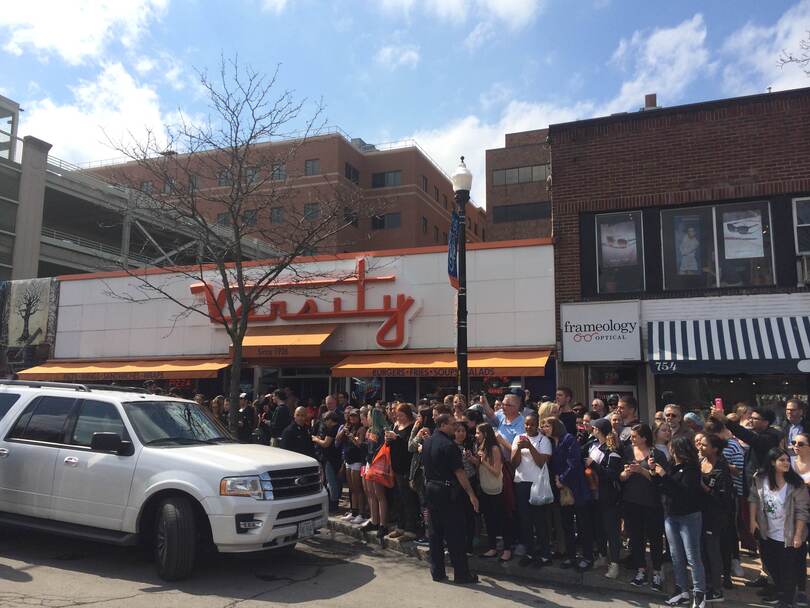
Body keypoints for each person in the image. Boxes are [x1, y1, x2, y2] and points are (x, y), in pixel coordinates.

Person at [421, 413, 479, 584]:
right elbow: (459, 472)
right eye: (452, 424)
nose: (455, 427)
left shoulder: (428, 442)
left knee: (435, 533)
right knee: (455, 534)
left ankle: (437, 572)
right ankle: (461, 574)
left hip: (431, 488)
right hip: (447, 491)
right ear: (443, 425)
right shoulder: (449, 445)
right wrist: (471, 494)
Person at [749, 447, 810, 608]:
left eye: (787, 460)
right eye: (781, 460)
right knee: (770, 564)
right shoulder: (760, 479)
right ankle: (780, 592)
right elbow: (753, 497)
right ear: (772, 462)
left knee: (787, 570)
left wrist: (797, 535)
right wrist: (752, 520)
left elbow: (802, 512)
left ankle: (787, 601)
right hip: (767, 532)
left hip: (788, 535)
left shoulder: (796, 484)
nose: (786, 462)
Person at [654, 436, 707, 608]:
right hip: (671, 515)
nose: (670, 449)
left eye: (672, 447)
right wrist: (657, 474)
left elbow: (685, 492)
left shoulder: (691, 468)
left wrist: (664, 476)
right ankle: (682, 590)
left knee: (692, 557)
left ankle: (699, 594)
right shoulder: (671, 466)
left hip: (688, 516)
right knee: (676, 556)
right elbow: (664, 487)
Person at [621, 423, 667, 590]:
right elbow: (620, 476)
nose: (631, 439)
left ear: (644, 438)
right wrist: (626, 473)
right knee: (636, 538)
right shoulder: (627, 452)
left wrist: (642, 471)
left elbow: (661, 480)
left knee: (654, 539)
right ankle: (641, 569)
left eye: (634, 436)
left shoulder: (657, 455)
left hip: (651, 503)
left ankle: (657, 571)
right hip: (631, 501)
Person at [544, 416, 593, 571]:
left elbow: (573, 463)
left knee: (583, 524)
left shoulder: (568, 439)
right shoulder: (553, 442)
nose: (544, 428)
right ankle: (571, 556)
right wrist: (557, 479)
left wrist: (562, 479)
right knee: (567, 525)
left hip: (576, 487)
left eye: (547, 426)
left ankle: (587, 557)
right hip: (563, 489)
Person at [511, 411, 553, 567]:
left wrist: (530, 447)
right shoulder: (518, 438)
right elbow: (513, 463)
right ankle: (530, 552)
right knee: (525, 521)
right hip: (521, 483)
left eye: (532, 424)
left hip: (537, 485)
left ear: (537, 425)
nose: (528, 427)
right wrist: (519, 450)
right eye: (526, 424)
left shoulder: (544, 440)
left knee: (539, 521)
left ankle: (545, 554)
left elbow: (542, 462)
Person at [586, 417, 624, 579]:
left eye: (594, 428)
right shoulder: (592, 445)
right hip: (593, 494)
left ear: (599, 430)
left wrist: (593, 464)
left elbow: (611, 475)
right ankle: (602, 556)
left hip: (608, 496)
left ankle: (614, 564)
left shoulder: (612, 451)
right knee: (598, 528)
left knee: (611, 530)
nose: (592, 429)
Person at [698, 433, 734, 602]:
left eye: (704, 445)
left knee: (713, 551)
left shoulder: (721, 468)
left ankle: (716, 588)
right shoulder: (700, 462)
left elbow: (723, 497)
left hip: (715, 516)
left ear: (715, 449)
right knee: (702, 551)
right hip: (699, 514)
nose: (700, 447)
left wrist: (703, 486)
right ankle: (705, 583)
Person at [472, 422, 513, 561]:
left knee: (502, 519)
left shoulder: (495, 448)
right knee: (489, 519)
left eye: (479, 432)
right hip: (484, 488)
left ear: (486, 434)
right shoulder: (480, 447)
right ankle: (492, 548)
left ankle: (507, 549)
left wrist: (483, 461)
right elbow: (481, 466)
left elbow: (496, 471)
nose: (476, 435)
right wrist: (473, 460)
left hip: (496, 489)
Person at [385, 403, 420, 541]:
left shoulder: (413, 427)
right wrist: (388, 439)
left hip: (407, 466)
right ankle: (400, 526)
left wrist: (397, 438)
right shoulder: (395, 425)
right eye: (397, 415)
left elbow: (410, 446)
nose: (399, 417)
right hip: (396, 466)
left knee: (409, 499)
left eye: (401, 415)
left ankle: (411, 529)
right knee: (398, 498)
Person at [362, 407, 391, 541]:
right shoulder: (370, 430)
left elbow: (374, 449)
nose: (367, 418)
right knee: (371, 494)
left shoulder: (378, 432)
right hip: (369, 463)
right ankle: (374, 521)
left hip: (376, 464)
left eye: (368, 416)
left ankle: (382, 524)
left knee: (379, 495)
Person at [338, 408, 367, 524]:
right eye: (351, 416)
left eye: (355, 416)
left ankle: (361, 513)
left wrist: (350, 436)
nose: (352, 418)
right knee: (351, 487)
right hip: (348, 460)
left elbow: (359, 444)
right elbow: (338, 439)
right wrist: (344, 431)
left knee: (358, 488)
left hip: (356, 460)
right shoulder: (348, 426)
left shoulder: (361, 428)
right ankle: (353, 511)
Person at [790, 432, 810, 605]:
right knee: (799, 553)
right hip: (797, 514)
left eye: (801, 443)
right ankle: (801, 589)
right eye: (794, 442)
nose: (796, 445)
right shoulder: (789, 464)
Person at [312, 411, 343, 513]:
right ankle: (334, 503)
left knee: (331, 482)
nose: (324, 422)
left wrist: (316, 439)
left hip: (330, 459)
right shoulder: (339, 428)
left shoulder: (332, 430)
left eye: (325, 420)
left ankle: (333, 504)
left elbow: (326, 444)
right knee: (335, 482)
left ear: (330, 420)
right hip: (337, 458)